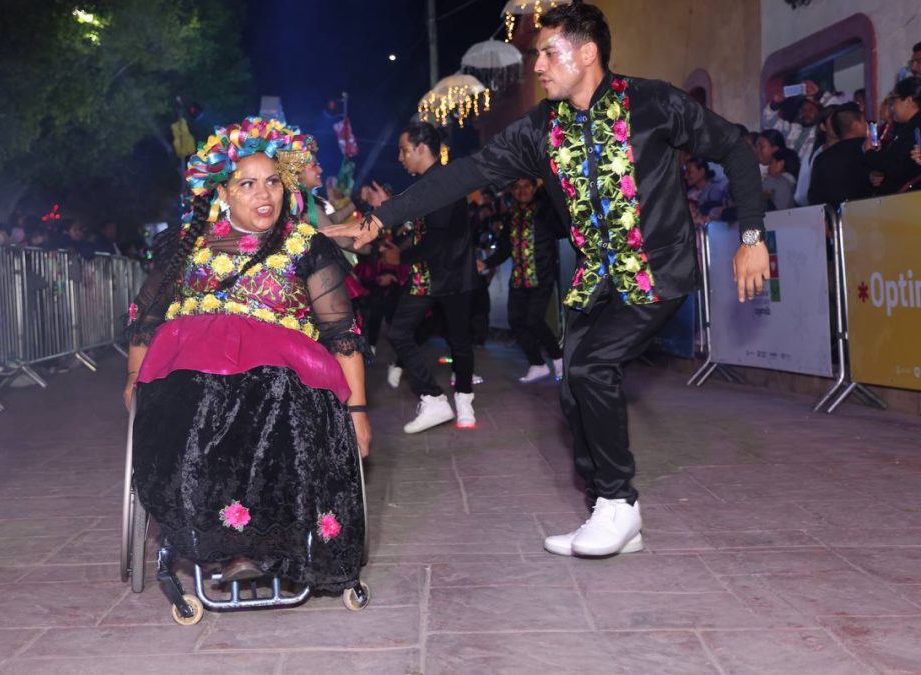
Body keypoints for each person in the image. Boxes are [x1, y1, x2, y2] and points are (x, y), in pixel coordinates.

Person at [327, 1, 767, 558]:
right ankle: (607, 512)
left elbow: (734, 147)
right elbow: (463, 174)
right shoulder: (539, 129)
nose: (538, 66)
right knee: (573, 390)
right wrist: (379, 219)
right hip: (594, 278)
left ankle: (619, 504)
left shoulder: (653, 102)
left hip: (657, 269)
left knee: (592, 366)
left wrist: (752, 239)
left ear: (587, 54)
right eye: (538, 55)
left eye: (549, 53)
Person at [124, 117, 368, 589]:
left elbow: (341, 333)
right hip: (193, 375)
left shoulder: (306, 246)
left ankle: (262, 540)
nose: (266, 194)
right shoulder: (185, 247)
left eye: (274, 182)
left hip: (286, 377)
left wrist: (357, 409)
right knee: (196, 395)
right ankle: (226, 540)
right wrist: (133, 380)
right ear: (223, 194)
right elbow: (146, 322)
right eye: (249, 183)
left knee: (272, 389)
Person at [364, 121, 478, 433]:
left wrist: (401, 257)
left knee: (459, 341)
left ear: (421, 149)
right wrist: (385, 209)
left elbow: (437, 238)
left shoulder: (445, 180)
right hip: (426, 275)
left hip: (453, 274)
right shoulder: (424, 184)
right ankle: (433, 398)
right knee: (400, 332)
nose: (400, 157)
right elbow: (416, 225)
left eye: (403, 150)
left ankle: (464, 401)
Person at [478, 178, 566, 383]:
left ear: (535, 188)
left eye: (527, 186)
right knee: (516, 321)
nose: (522, 191)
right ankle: (537, 364)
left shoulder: (545, 212)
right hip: (519, 278)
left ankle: (558, 358)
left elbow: (562, 230)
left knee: (533, 321)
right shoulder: (511, 217)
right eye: (517, 187)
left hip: (541, 277)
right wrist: (486, 263)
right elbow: (504, 249)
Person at [864, 77, 921, 195]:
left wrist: (870, 153)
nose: (891, 107)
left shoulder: (916, 128)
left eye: (893, 100)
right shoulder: (905, 127)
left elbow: (901, 168)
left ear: (909, 101)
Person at [808, 105, 872, 207]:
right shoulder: (869, 149)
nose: (866, 125)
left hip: (835, 219)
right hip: (872, 215)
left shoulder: (822, 158)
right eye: (863, 121)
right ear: (856, 125)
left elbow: (814, 198)